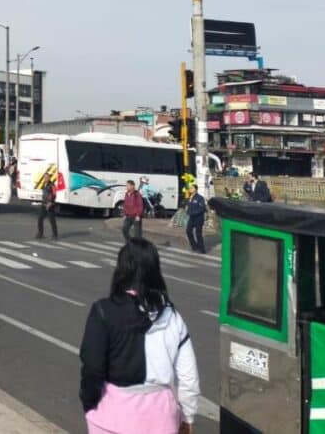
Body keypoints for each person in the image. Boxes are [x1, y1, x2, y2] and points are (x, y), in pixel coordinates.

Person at [79, 238, 199, 433]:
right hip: (161, 419)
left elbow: (92, 367)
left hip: (111, 417)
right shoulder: (172, 317)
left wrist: (89, 403)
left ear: (121, 269)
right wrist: (187, 417)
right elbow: (188, 377)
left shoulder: (103, 311)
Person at [37, 169, 59, 240]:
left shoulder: (52, 185)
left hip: (50, 205)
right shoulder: (44, 184)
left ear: (49, 178)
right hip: (44, 204)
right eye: (44, 177)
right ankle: (40, 233)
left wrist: (50, 202)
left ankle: (55, 235)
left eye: (47, 177)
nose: (45, 178)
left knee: (52, 220)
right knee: (40, 219)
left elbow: (54, 194)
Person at [185, 185, 207, 254]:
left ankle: (202, 249)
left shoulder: (200, 198)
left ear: (196, 189)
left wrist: (193, 213)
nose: (190, 189)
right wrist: (187, 211)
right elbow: (188, 206)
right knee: (188, 231)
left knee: (198, 234)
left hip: (198, 218)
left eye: (192, 188)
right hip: (192, 217)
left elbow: (202, 208)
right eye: (190, 188)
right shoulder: (190, 197)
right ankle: (194, 246)